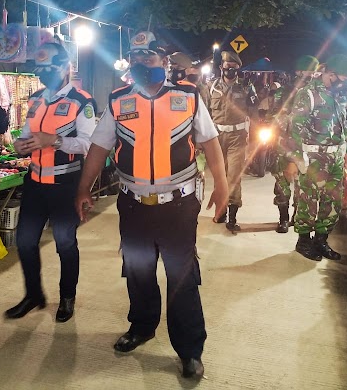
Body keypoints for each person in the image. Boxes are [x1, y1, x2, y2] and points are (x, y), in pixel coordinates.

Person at [74, 31, 228, 380]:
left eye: (150, 57)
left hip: (179, 205)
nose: (143, 62)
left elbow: (211, 142)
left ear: (164, 62)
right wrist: (83, 188)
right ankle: (142, 327)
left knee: (182, 277)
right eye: (137, 57)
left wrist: (223, 186)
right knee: (139, 271)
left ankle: (189, 350)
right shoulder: (118, 100)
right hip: (133, 205)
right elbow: (99, 147)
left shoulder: (188, 97)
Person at [5, 42, 97, 322]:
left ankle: (67, 298)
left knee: (65, 243)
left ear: (65, 67)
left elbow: (88, 144)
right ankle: (33, 295)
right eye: (40, 69)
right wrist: (19, 145)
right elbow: (24, 134)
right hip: (34, 182)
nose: (45, 73)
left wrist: (54, 140)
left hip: (65, 183)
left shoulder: (82, 101)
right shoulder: (35, 100)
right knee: (25, 242)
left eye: (50, 68)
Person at [285, 54, 347, 261]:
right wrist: (296, 160)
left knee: (332, 202)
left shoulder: (338, 94)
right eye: (341, 78)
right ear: (329, 73)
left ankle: (321, 241)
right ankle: (304, 242)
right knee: (309, 202)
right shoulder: (307, 94)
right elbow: (295, 130)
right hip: (314, 157)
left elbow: (343, 125)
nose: (343, 83)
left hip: (335, 157)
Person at [206, 50, 258, 232]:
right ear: (221, 67)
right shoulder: (211, 87)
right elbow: (204, 113)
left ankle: (232, 216)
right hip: (217, 137)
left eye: (234, 69)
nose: (231, 71)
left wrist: (254, 139)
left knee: (234, 175)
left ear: (238, 69)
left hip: (238, 138)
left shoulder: (246, 87)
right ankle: (220, 211)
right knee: (219, 174)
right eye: (228, 68)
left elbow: (254, 114)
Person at [272, 56, 320, 233]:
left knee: (304, 186)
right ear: (298, 72)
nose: (309, 76)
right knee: (282, 185)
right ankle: (283, 218)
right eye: (306, 72)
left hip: (307, 148)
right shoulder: (283, 93)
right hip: (283, 145)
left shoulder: (319, 95)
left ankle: (296, 216)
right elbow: (272, 116)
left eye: (313, 72)